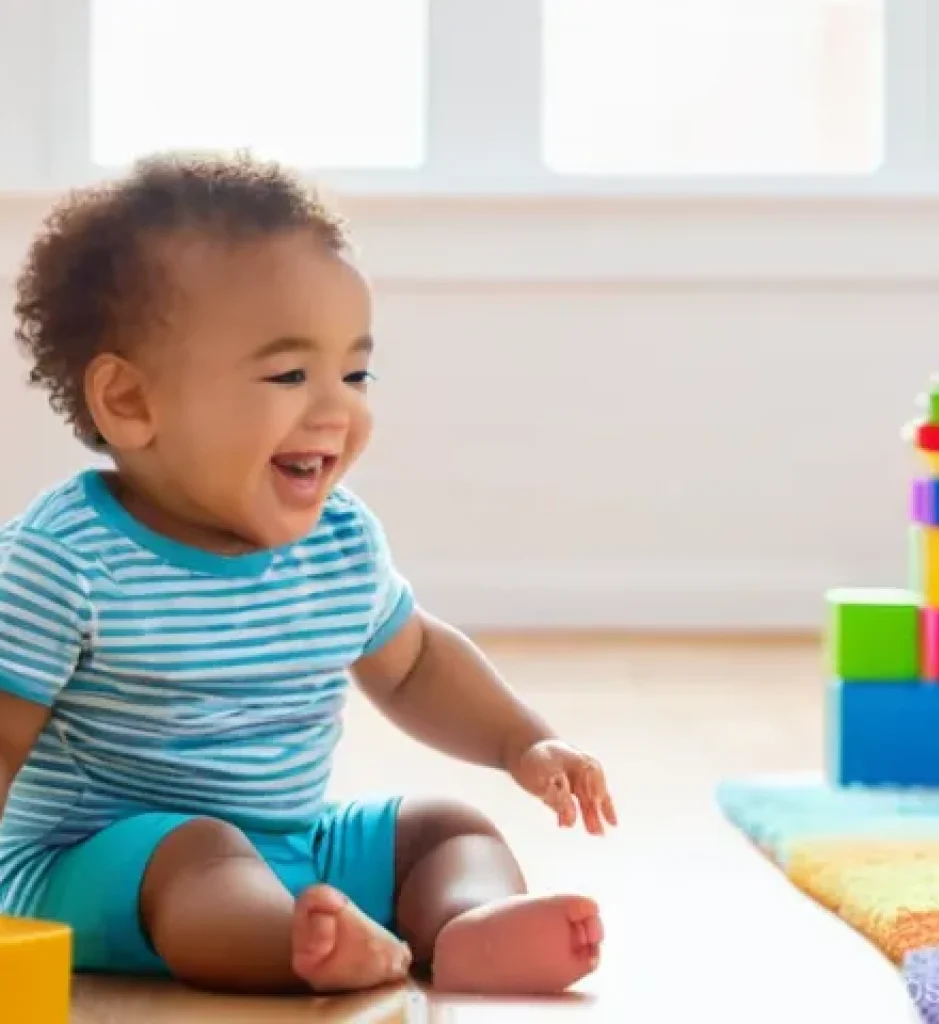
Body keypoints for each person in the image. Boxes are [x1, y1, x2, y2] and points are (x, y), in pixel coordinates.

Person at [0, 152, 616, 997]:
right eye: (290, 374)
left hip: (291, 844)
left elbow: (416, 664)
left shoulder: (339, 542)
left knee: (442, 828)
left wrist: (521, 740)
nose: (340, 409)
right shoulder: (63, 559)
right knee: (198, 854)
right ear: (132, 403)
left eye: (355, 372)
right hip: (96, 870)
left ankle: (462, 927)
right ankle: (303, 944)